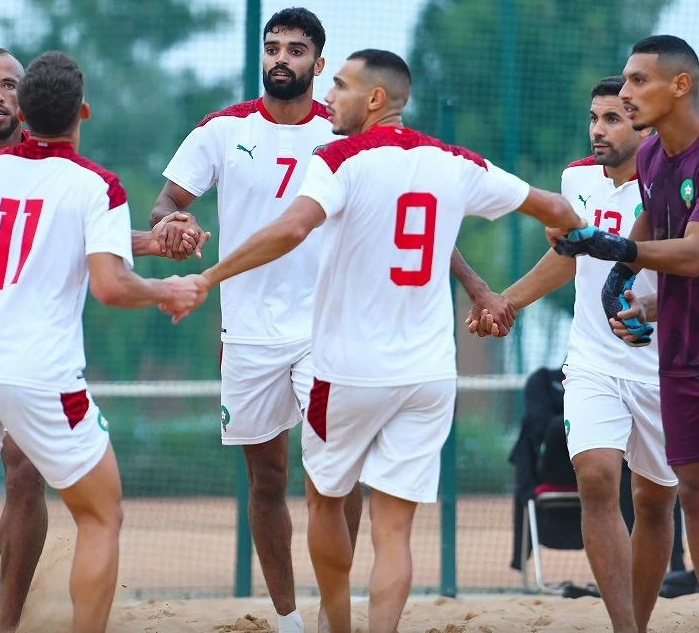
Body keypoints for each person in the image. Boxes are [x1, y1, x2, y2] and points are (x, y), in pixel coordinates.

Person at [167, 49, 584, 633]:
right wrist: (552, 240)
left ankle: (334, 625)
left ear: (375, 99)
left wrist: (207, 278)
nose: (328, 95)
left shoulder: (337, 158)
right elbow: (561, 210)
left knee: (324, 503)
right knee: (395, 532)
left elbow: (291, 227)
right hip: (429, 377)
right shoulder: (453, 161)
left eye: (339, 85)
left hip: (347, 374)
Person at [0, 51, 199, 633]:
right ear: (83, 110)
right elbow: (109, 287)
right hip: (38, 372)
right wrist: (168, 291)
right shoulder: (97, 185)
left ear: (23, 112)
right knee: (102, 516)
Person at [149, 7, 361, 633]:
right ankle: (290, 619)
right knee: (266, 478)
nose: (281, 59)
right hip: (246, 333)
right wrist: (173, 225)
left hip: (327, 330)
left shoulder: (343, 132)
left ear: (319, 65)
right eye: (273, 47)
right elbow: (167, 201)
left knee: (334, 474)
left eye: (297, 50)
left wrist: (475, 285)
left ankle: (334, 610)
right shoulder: (221, 129)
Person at [554, 35, 699, 633]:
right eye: (624, 81)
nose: (625, 93)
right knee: (690, 499)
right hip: (676, 351)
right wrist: (624, 281)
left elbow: (695, 254)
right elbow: (654, 217)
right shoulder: (650, 160)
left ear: (681, 86)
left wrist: (613, 247)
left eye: (637, 81)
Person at [470, 76, 677, 633]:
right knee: (595, 479)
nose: (598, 130)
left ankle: (641, 615)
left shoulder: (673, 186)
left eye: (613, 118)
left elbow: (694, 264)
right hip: (592, 361)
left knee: (655, 503)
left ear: (644, 122)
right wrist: (504, 302)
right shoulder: (575, 179)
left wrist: (654, 306)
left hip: (662, 367)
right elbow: (569, 259)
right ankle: (625, 627)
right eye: (594, 117)